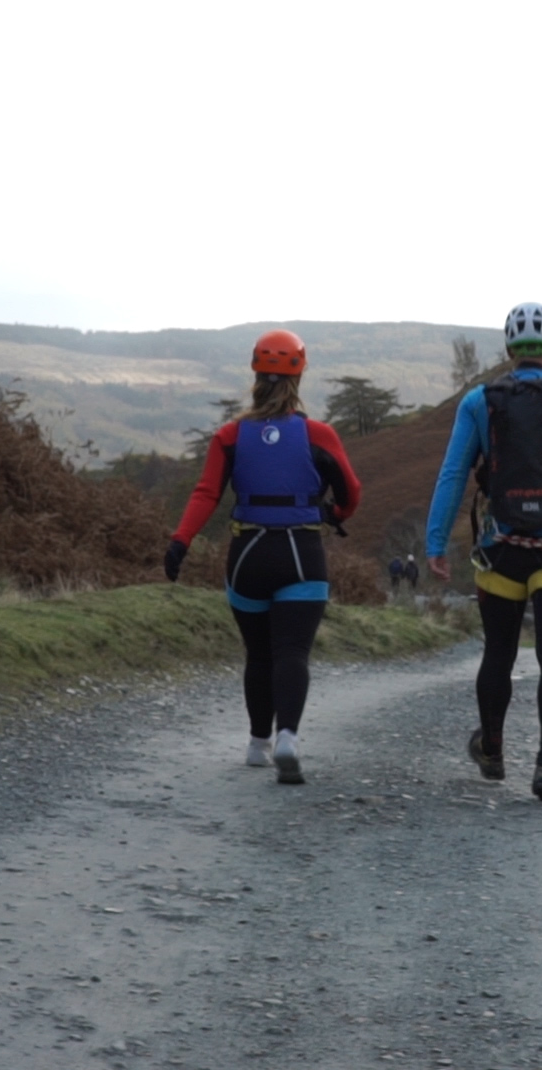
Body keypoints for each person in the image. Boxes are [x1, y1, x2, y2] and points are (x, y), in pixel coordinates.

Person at [426, 302, 542, 803]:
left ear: (509, 350)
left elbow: (452, 475)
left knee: (498, 654)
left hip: (500, 549)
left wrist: (435, 543)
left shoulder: (478, 402)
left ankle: (491, 749)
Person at [163, 329, 360, 785]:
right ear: (300, 374)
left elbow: (207, 492)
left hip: (248, 552)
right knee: (292, 650)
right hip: (301, 551)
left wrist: (180, 541)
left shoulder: (229, 435)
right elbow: (352, 492)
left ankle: (257, 745)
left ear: (255, 373)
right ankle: (287, 736)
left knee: (258, 653)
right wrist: (334, 512)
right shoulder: (320, 434)